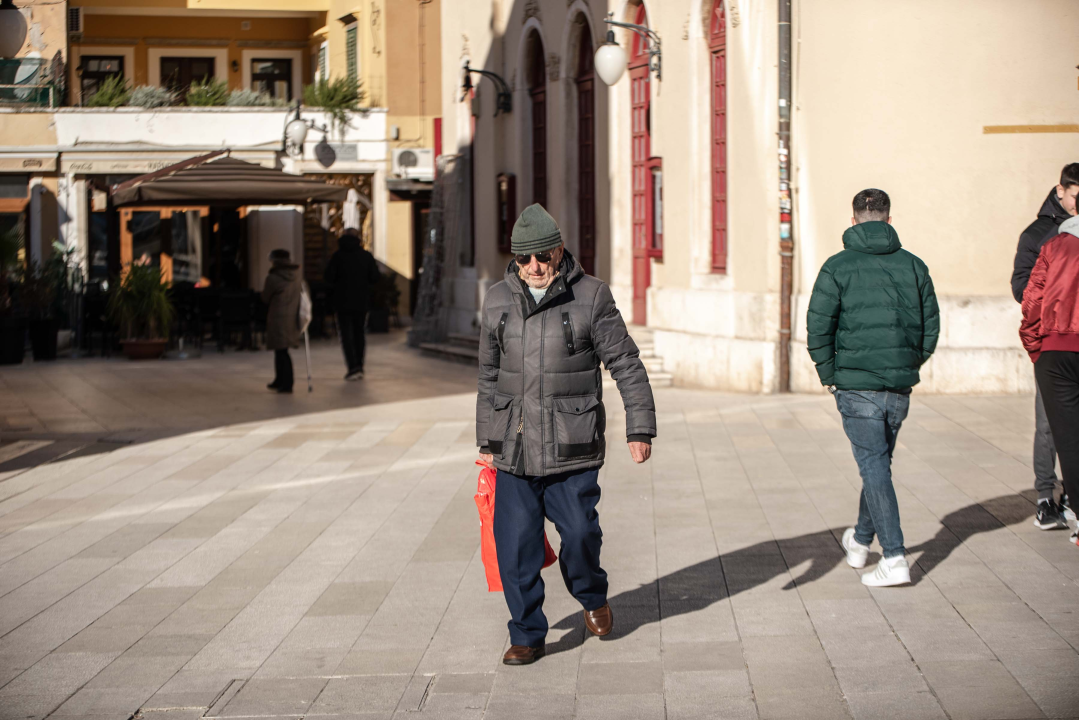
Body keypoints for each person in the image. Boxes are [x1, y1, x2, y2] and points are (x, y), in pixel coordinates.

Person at [477, 204, 656, 665]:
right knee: (515, 545)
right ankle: (527, 633)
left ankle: (592, 595)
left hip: (571, 444)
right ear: (514, 259)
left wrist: (640, 425)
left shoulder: (592, 296)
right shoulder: (496, 298)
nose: (535, 267)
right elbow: (488, 375)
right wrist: (486, 441)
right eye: (524, 259)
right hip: (513, 447)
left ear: (559, 249)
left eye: (542, 255)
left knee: (579, 534)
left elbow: (626, 364)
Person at [806, 189, 939, 587]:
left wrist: (830, 373)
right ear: (888, 220)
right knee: (877, 464)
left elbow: (817, 327)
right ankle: (862, 541)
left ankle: (895, 557)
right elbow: (930, 328)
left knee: (875, 467)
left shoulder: (836, 267)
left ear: (853, 221)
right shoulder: (915, 266)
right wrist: (909, 363)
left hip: (857, 384)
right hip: (897, 386)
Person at [1011, 163, 1079, 530]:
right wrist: (1038, 341)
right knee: (1048, 425)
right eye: (1073, 194)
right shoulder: (1039, 235)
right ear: (1061, 190)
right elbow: (1024, 288)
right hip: (1053, 342)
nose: (1074, 202)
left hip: (1055, 343)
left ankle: (1072, 496)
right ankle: (1044, 495)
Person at [324, 229, 381, 380]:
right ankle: (360, 366)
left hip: (342, 301)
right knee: (359, 333)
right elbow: (375, 277)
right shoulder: (366, 256)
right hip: (361, 301)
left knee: (346, 335)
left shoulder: (337, 256)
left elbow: (328, 278)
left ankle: (352, 367)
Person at [261, 248, 302, 394]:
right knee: (281, 349)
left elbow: (265, 297)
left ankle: (286, 383)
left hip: (278, 317)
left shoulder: (272, 278)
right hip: (292, 315)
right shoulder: (297, 275)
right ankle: (279, 380)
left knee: (281, 351)